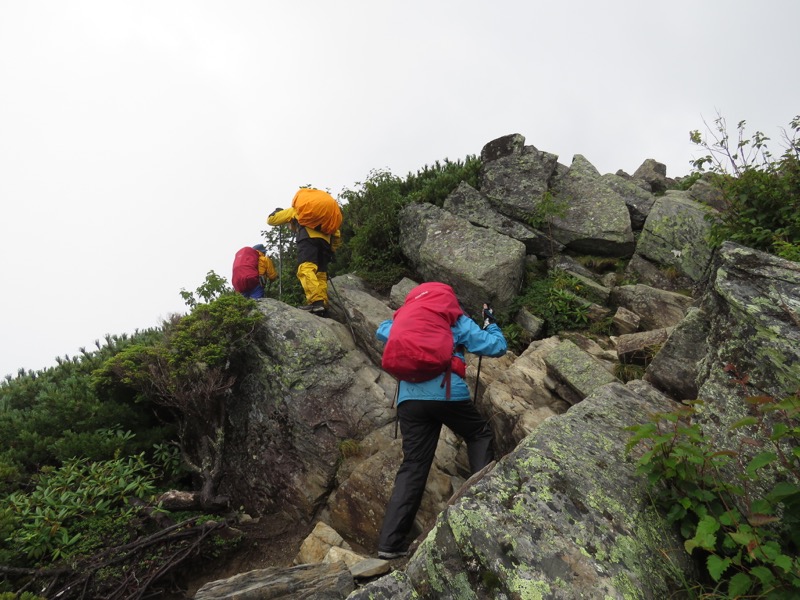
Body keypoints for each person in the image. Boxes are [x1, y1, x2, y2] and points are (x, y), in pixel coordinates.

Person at [375, 299, 507, 559]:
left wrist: (404, 320)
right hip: (447, 394)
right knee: (478, 434)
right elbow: (497, 347)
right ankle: (481, 510)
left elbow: (382, 329)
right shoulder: (455, 321)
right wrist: (491, 324)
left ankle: (390, 544)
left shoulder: (403, 323)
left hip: (410, 401)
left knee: (413, 465)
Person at [267, 198, 342, 314]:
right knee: (320, 274)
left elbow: (271, 220)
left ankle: (316, 302)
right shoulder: (326, 217)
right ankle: (323, 304)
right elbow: (336, 234)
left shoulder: (297, 210)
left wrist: (275, 213)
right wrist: (332, 249)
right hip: (326, 243)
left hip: (308, 239)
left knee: (305, 269)